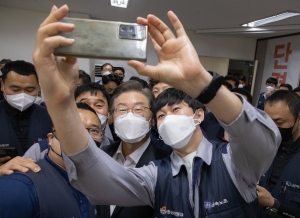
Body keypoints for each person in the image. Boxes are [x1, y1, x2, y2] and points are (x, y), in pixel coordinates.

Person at [32, 6, 280, 218]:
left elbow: (260, 139)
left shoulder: (232, 161)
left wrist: (203, 84)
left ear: (199, 115)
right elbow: (96, 181)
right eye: (161, 115)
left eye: (176, 109)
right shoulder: (155, 175)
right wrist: (60, 104)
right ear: (155, 125)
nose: (169, 118)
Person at [0, 103, 100, 218]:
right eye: (72, 128)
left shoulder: (97, 185)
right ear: (51, 139)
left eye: (94, 131)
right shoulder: (21, 187)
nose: (84, 136)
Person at [97, 80, 171, 218]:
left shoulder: (166, 163)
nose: (129, 116)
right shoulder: (101, 155)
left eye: (138, 109)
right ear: (112, 116)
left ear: (153, 119)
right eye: (122, 110)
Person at [257, 91, 300, 217]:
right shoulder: (262, 148)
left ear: (298, 119)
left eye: (279, 123)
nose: (273, 128)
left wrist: (274, 205)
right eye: (268, 122)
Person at [0, 60, 52, 164]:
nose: (22, 95)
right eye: (15, 89)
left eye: (29, 90)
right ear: (2, 85)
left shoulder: (49, 116)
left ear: (38, 87)